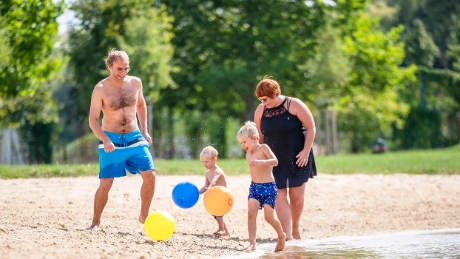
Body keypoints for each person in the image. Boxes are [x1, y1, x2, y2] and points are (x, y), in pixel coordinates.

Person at [86, 49, 156, 230]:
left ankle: (143, 216)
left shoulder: (135, 83)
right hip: (111, 138)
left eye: (126, 68)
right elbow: (92, 120)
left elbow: (141, 104)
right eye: (119, 69)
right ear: (109, 66)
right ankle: (95, 221)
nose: (123, 72)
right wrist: (105, 139)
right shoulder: (100, 89)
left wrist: (145, 131)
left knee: (150, 175)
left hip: (134, 136)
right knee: (106, 183)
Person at [254, 76, 317, 240]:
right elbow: (259, 137)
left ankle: (295, 227)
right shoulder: (261, 110)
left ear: (275, 94)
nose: (263, 102)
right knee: (279, 195)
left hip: (298, 156)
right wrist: (259, 157)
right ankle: (287, 235)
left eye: (265, 99)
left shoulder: (294, 104)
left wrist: (306, 151)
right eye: (260, 99)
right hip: (274, 160)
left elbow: (311, 127)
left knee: (296, 197)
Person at [237, 121, 286, 252]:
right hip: (254, 187)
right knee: (251, 213)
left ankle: (281, 235)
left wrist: (262, 162)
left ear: (255, 139)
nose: (243, 145)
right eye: (241, 143)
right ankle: (252, 243)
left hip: (269, 188)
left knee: (269, 218)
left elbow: (275, 161)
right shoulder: (248, 155)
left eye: (244, 142)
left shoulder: (263, 148)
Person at [198, 145, 230, 236]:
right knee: (216, 215)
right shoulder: (207, 173)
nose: (204, 164)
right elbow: (205, 186)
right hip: (215, 198)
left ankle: (221, 229)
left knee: (218, 214)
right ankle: (226, 231)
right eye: (203, 162)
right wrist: (197, 193)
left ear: (214, 159)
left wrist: (211, 186)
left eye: (207, 161)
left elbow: (214, 180)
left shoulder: (218, 171)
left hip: (223, 197)